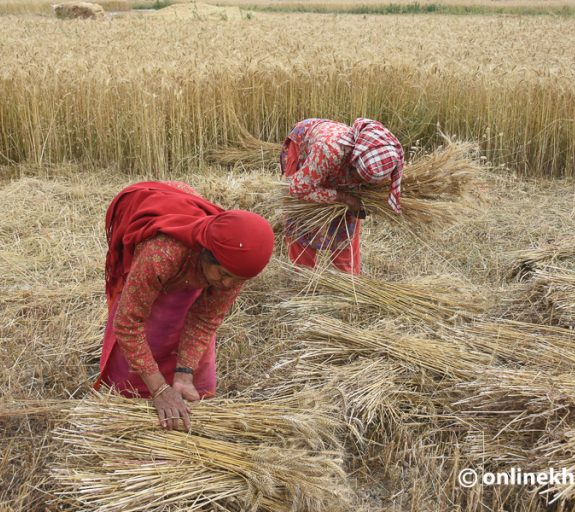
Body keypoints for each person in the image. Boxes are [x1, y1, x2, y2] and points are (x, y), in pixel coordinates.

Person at [94, 181, 274, 431]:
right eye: (222, 275)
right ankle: (131, 396)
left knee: (197, 362)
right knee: (153, 325)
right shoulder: (162, 254)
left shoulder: (236, 265)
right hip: (158, 233)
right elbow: (127, 323)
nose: (227, 284)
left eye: (237, 280)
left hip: (189, 261)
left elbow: (204, 320)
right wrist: (158, 388)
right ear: (206, 253)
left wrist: (184, 374)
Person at [280, 117, 404, 274]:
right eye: (356, 176)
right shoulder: (328, 151)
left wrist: (358, 200)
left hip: (333, 158)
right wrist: (343, 197)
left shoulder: (383, 154)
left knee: (348, 218)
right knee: (301, 217)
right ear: (353, 162)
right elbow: (298, 190)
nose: (355, 181)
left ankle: (347, 278)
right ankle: (303, 275)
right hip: (310, 149)